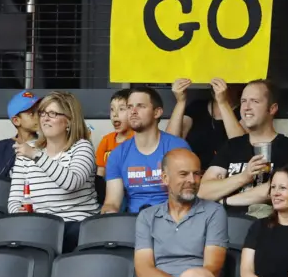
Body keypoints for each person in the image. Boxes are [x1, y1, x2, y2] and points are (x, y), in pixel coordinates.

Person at [8, 91, 99, 253]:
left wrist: (36, 156)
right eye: (42, 113)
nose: (45, 118)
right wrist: (19, 212)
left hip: (76, 228)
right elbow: (14, 200)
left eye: (53, 114)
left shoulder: (82, 147)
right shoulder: (28, 150)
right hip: (39, 227)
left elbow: (71, 182)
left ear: (69, 121)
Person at [199, 79, 288, 216]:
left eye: (255, 101)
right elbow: (203, 191)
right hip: (225, 226)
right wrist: (244, 177)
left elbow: (275, 190)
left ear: (272, 109)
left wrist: (224, 200)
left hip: (266, 226)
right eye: (243, 101)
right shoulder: (231, 145)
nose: (246, 107)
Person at [135, 149, 229, 277]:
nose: (191, 180)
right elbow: (144, 271)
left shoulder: (214, 212)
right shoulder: (147, 216)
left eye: (196, 174)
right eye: (183, 174)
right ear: (165, 178)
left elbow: (212, 269)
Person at [101, 86, 191, 214]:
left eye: (140, 106)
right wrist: (109, 216)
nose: (133, 111)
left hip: (172, 219)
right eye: (129, 107)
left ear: (157, 112)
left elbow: (184, 197)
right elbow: (112, 202)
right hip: (133, 222)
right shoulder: (117, 154)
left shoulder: (178, 148)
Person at [166, 77, 245, 170]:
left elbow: (240, 146)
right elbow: (170, 142)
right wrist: (180, 101)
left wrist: (223, 103)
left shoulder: (244, 110)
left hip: (228, 176)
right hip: (194, 174)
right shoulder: (197, 107)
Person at [96, 89, 134, 177]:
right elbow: (101, 171)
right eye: (112, 109)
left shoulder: (137, 140)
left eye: (121, 109)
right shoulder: (106, 140)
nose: (115, 114)